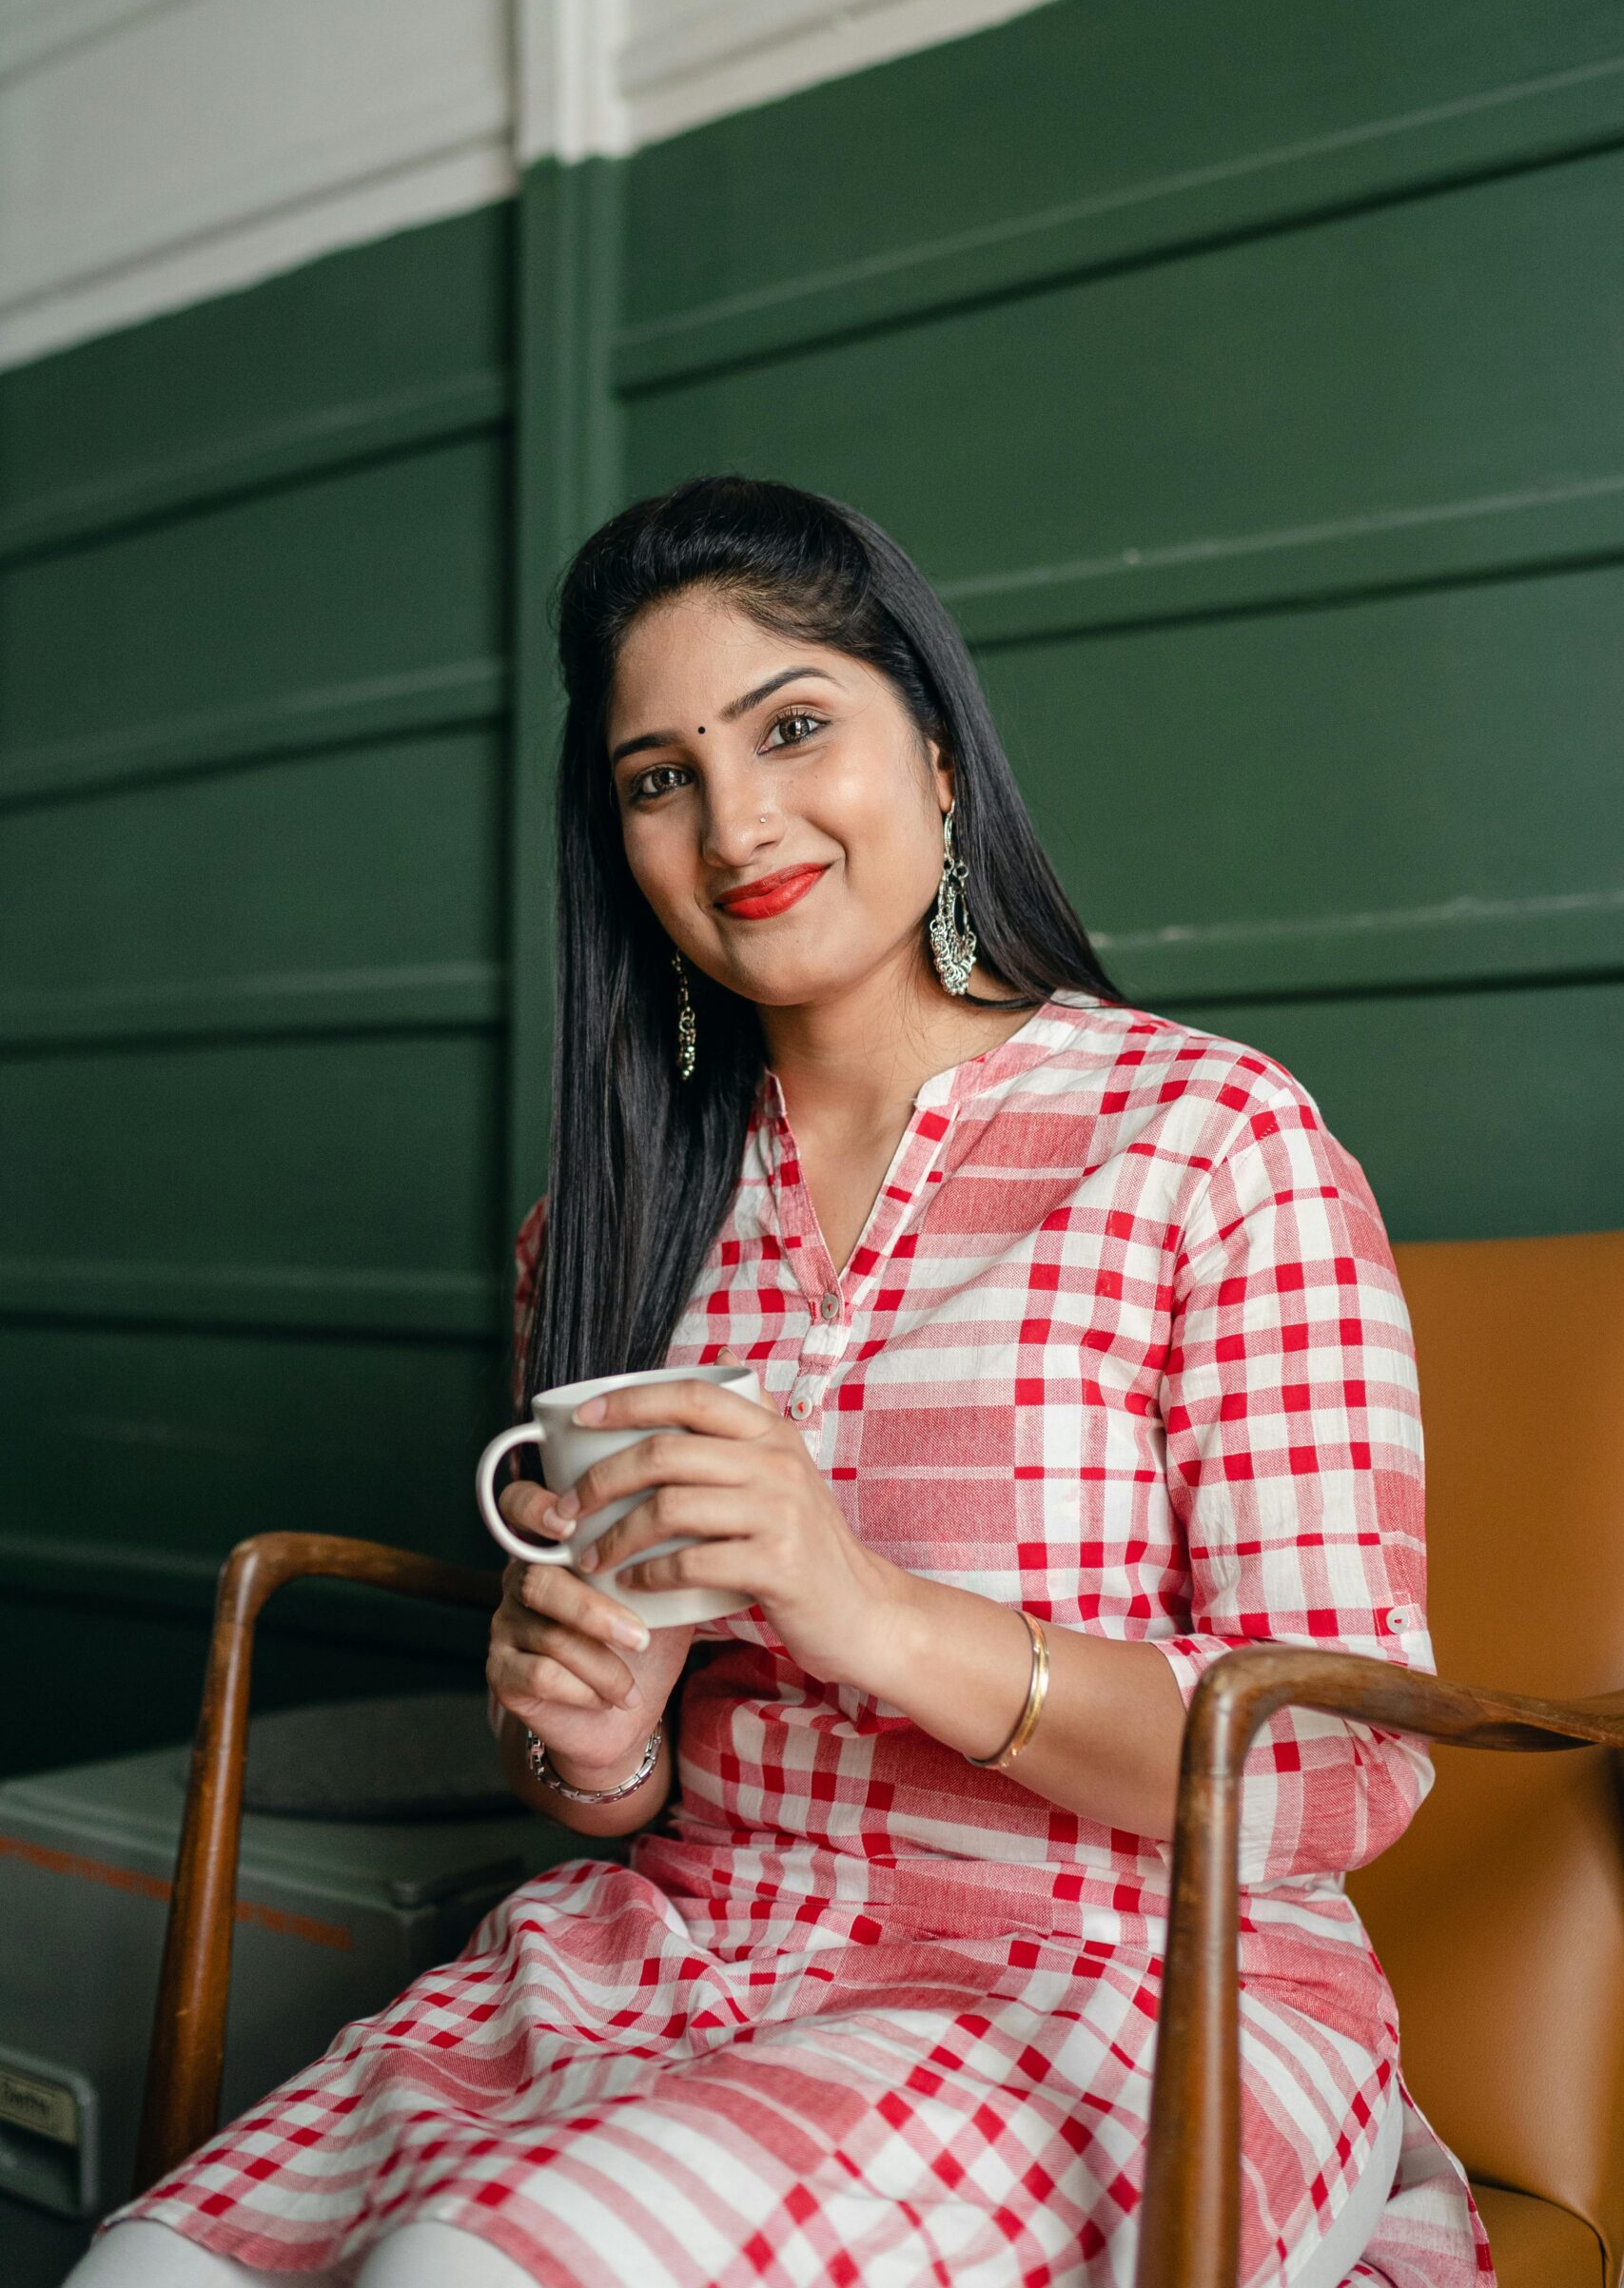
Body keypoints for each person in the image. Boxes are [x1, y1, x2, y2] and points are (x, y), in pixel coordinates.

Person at [76, 478, 1492, 2286]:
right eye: (658, 776)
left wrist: (862, 1605)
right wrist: (581, 1739)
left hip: (1118, 1989)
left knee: (466, 2270)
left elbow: (1343, 1773)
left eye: (795, 727)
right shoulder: (601, 1224)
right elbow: (614, 1784)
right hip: (670, 1958)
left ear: (943, 756)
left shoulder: (1208, 1141)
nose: (736, 820)